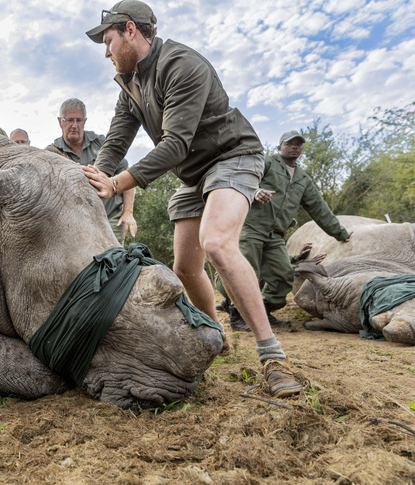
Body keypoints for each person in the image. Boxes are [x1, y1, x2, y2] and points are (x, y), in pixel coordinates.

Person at [82, 1, 302, 398]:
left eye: (109, 40)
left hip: (232, 155)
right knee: (185, 266)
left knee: (217, 242)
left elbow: (176, 144)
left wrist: (115, 186)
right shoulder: (128, 83)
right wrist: (92, 176)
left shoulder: (182, 64)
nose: (106, 51)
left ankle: (273, 356)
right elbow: (115, 143)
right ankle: (216, 335)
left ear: (130, 30)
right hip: (193, 173)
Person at [215, 131, 351, 330]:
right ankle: (238, 315)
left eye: (298, 144)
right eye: (290, 143)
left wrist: (341, 233)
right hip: (251, 227)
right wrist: (254, 191)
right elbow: (242, 178)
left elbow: (319, 208)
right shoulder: (268, 162)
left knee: (283, 275)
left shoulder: (303, 179)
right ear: (280, 147)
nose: (294, 147)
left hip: (276, 234)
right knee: (247, 272)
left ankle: (263, 309)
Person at [46, 98, 137, 245]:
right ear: (60, 121)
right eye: (69, 120)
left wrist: (128, 212)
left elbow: (127, 172)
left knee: (113, 261)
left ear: (85, 121)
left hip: (110, 219)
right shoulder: (51, 154)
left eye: (79, 120)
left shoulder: (103, 144)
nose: (74, 125)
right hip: (74, 225)